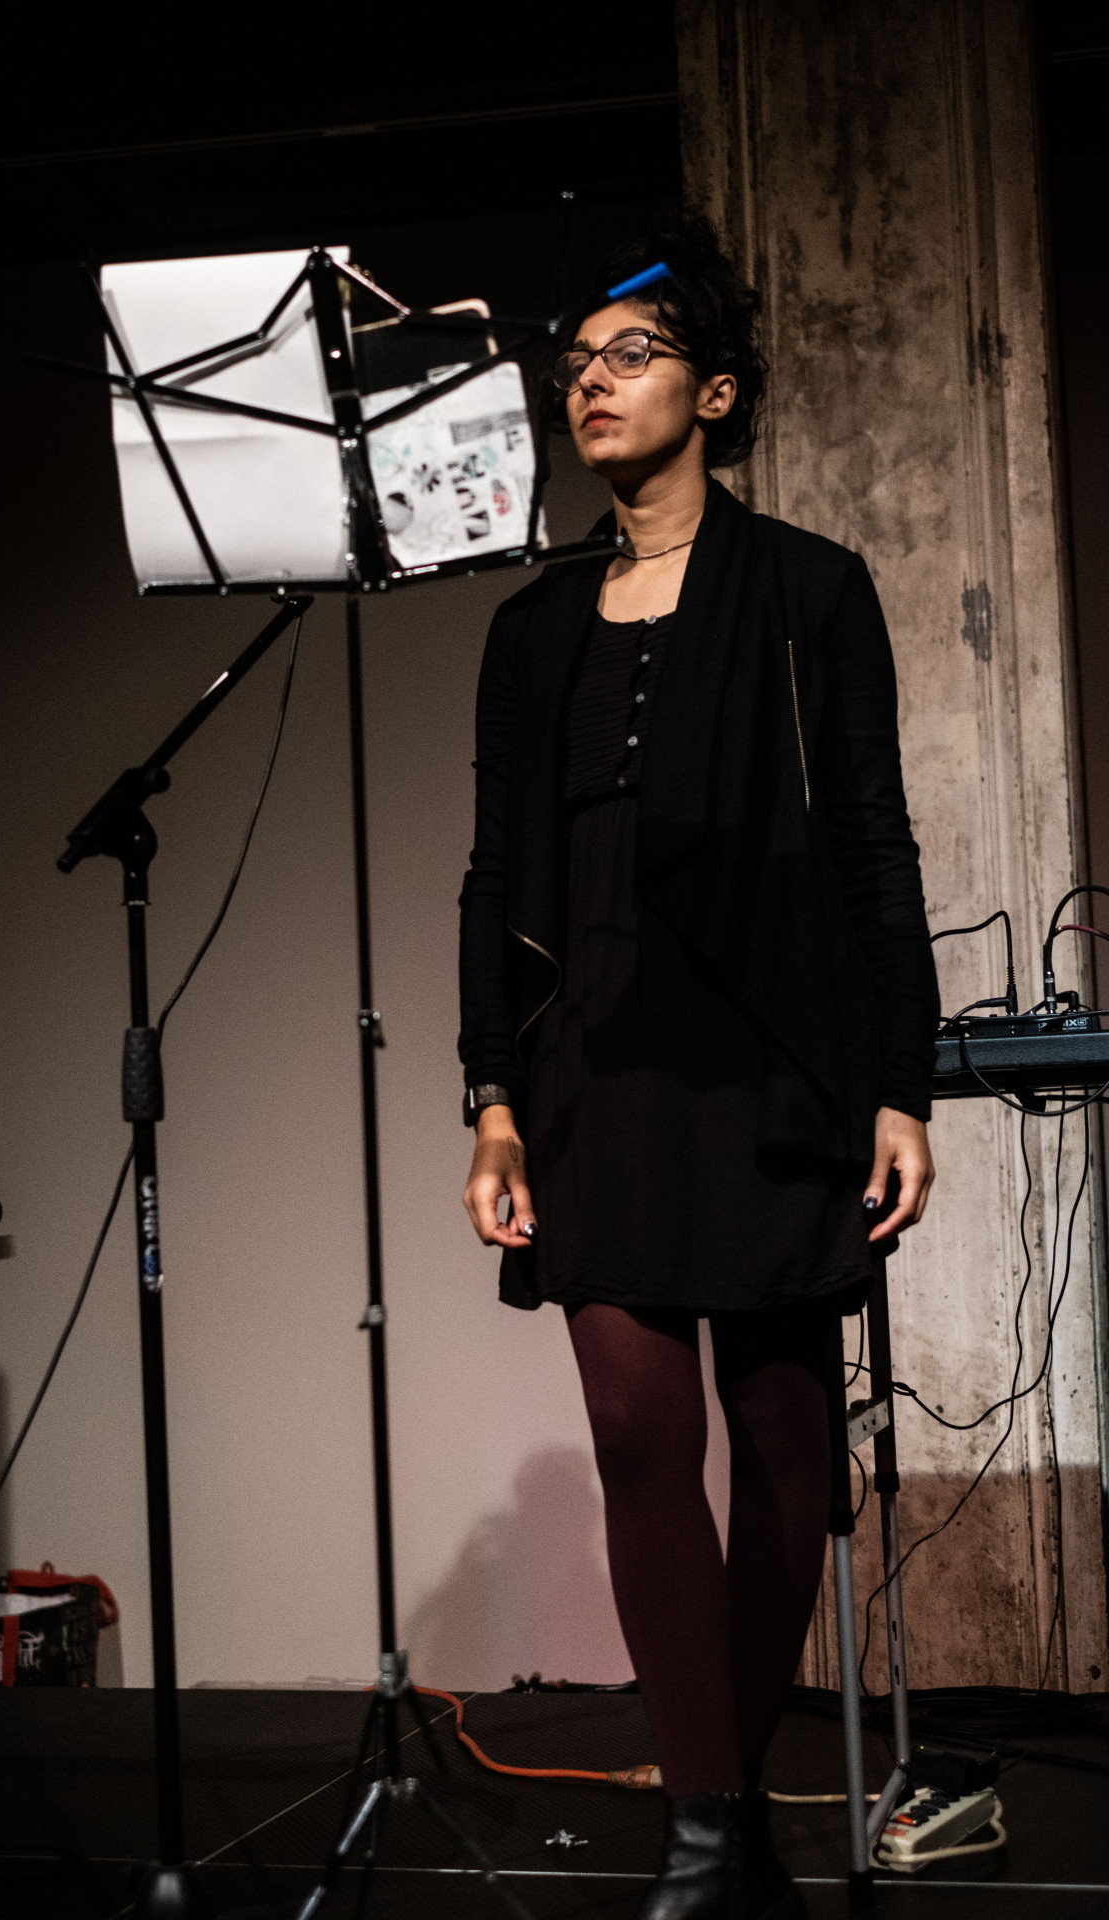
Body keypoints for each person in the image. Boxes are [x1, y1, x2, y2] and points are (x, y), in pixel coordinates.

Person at [457, 216, 938, 1920]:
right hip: (594, 1070)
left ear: (715, 393)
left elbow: (874, 842)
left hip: (774, 1067)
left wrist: (900, 1080)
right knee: (640, 1437)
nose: (590, 381)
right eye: (576, 361)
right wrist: (491, 1098)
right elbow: (495, 877)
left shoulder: (811, 590)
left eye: (631, 354)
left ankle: (734, 1805)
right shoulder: (532, 628)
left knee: (787, 1438)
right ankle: (707, 1835)